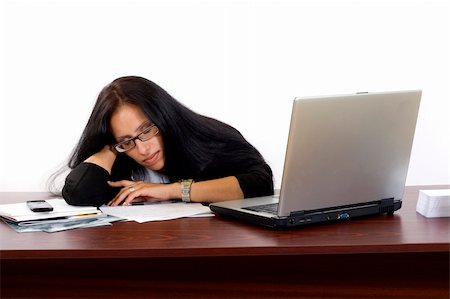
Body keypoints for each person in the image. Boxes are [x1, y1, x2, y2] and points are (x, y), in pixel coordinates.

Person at [60, 76, 274, 207]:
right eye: (128, 141)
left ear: (165, 117)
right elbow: (81, 193)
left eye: (146, 130)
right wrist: (111, 147)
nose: (143, 149)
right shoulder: (121, 153)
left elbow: (260, 184)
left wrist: (170, 191)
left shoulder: (204, 136)